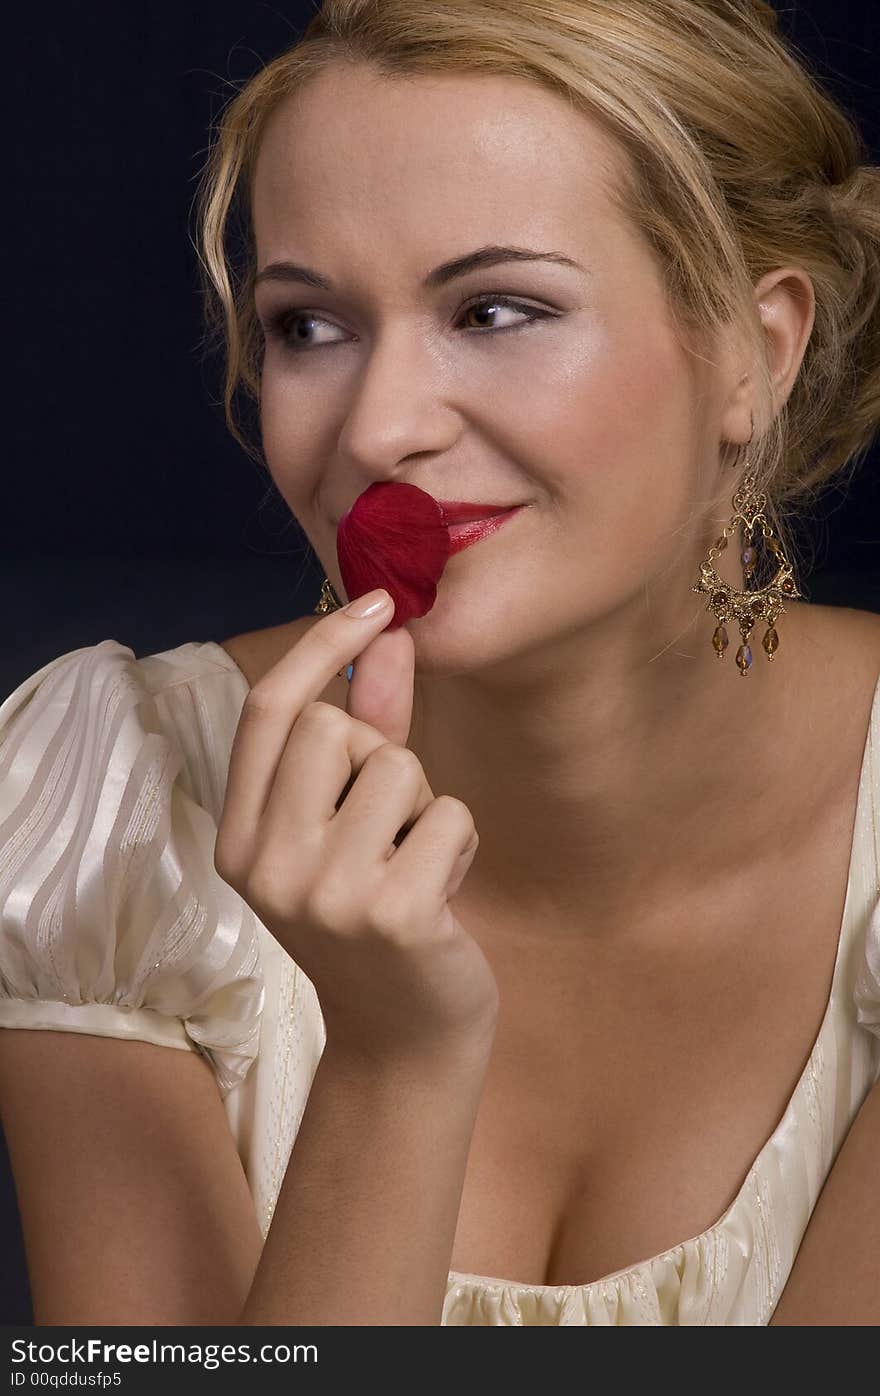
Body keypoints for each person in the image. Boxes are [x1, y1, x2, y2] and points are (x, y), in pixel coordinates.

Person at [1, 0, 880, 1327]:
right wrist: (397, 1063)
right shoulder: (113, 816)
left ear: (754, 353)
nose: (378, 426)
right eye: (309, 326)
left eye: (498, 309)